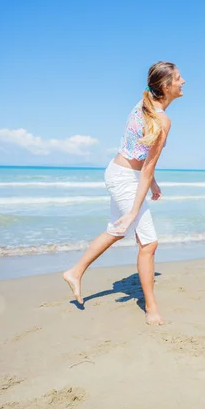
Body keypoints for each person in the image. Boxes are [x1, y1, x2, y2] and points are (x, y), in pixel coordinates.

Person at [63, 61, 185, 325]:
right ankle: (151, 307)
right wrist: (133, 211)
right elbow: (147, 166)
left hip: (119, 172)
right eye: (178, 78)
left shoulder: (143, 104)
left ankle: (75, 271)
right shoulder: (162, 120)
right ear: (165, 86)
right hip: (125, 178)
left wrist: (151, 182)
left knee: (116, 231)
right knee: (149, 243)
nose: (183, 81)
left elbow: (138, 151)